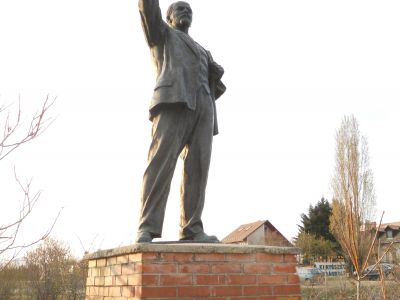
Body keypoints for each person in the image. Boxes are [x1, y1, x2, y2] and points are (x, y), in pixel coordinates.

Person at [136, 0, 226, 243]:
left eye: (189, 10)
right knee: (160, 163)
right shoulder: (162, 35)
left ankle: (192, 229)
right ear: (169, 17)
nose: (185, 11)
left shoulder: (201, 48)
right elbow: (148, 10)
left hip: (204, 109)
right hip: (173, 101)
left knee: (198, 170)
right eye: (179, 9)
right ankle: (147, 226)